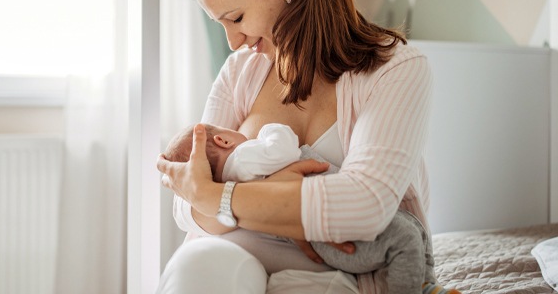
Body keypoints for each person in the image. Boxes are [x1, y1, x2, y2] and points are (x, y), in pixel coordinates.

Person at [156, 0, 448, 294]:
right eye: (220, 24)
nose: (233, 42)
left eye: (237, 18)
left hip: (343, 274)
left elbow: (365, 206)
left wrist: (217, 195)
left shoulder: (396, 69)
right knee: (196, 269)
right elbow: (186, 208)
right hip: (237, 259)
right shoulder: (240, 72)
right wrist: (276, 193)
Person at [163, 123, 458, 294]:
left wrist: (215, 195)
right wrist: (271, 130)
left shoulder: (232, 173)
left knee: (409, 232)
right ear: (223, 140)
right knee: (406, 238)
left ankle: (425, 285)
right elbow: (285, 146)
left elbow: (195, 194)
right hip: (324, 231)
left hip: (329, 223)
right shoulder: (245, 157)